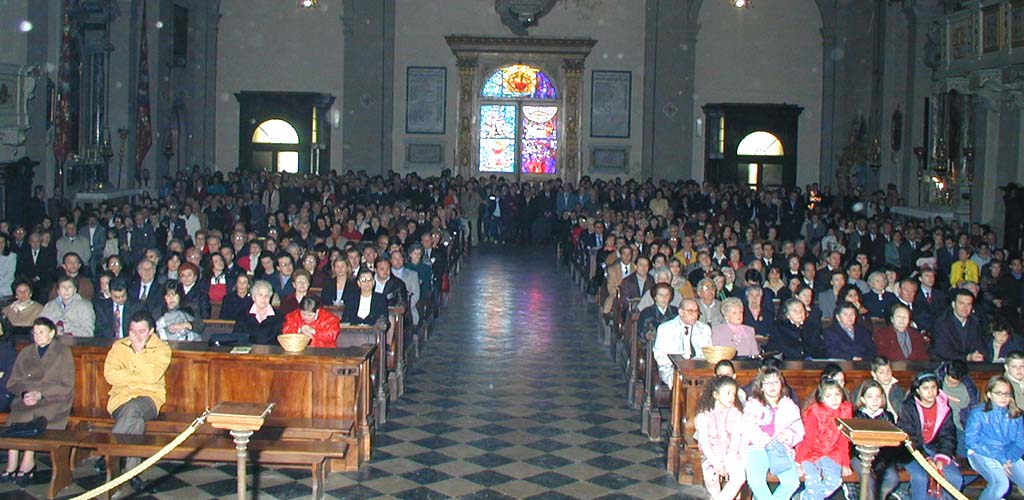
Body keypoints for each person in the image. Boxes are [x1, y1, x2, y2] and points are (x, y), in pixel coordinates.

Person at [102, 311, 171, 494]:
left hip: (150, 398)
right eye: (132, 331)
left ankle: (110, 451)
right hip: (120, 399)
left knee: (134, 408)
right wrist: (137, 376)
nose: (136, 336)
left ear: (151, 331)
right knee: (136, 421)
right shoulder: (119, 346)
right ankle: (132, 473)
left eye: (141, 331)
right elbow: (110, 375)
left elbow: (152, 376)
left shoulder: (162, 349)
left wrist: (139, 353)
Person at [1, 318, 74, 486]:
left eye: (41, 332)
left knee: (30, 416)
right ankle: (12, 463)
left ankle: (28, 462)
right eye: (34, 332)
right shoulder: (26, 352)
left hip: (53, 400)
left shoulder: (63, 352)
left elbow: (66, 385)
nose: (37, 336)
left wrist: (40, 394)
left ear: (52, 333)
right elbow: (13, 382)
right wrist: (25, 393)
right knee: (17, 415)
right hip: (27, 398)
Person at [897, 372, 964, 500]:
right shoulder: (908, 407)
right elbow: (908, 436)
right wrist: (926, 458)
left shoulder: (944, 408)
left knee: (955, 478)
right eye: (925, 388)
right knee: (920, 478)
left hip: (935, 449)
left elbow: (948, 435)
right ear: (918, 390)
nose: (930, 392)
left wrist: (942, 456)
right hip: (912, 451)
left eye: (933, 387)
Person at [741, 367, 804, 500]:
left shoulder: (789, 405)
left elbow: (798, 429)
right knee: (756, 482)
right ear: (761, 387)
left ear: (781, 385)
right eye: (767, 383)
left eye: (775, 382)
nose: (772, 386)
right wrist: (765, 440)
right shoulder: (753, 404)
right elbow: (747, 425)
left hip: (780, 448)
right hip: (757, 447)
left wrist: (787, 434)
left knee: (792, 482)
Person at [964, 375, 1024, 500]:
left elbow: (1020, 442)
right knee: (1001, 484)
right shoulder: (978, 413)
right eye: (999, 393)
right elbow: (971, 441)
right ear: (989, 394)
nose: (1003, 397)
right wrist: (1000, 458)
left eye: (1007, 394)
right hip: (982, 452)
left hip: (1008, 454)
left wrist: (1009, 458)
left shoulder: (1016, 414)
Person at [795, 378, 853, 500]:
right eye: (828, 396)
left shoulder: (845, 410)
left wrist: (845, 463)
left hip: (832, 452)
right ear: (821, 398)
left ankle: (803, 497)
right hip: (811, 451)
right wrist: (798, 461)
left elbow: (843, 440)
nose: (834, 399)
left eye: (837, 394)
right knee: (813, 481)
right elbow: (808, 439)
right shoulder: (815, 412)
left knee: (834, 481)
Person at [694, 375, 746, 500]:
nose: (731, 397)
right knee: (711, 477)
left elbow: (736, 440)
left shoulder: (736, 414)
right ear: (716, 395)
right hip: (712, 455)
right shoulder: (704, 416)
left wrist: (729, 459)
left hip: (731, 454)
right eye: (727, 393)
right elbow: (705, 444)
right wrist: (717, 463)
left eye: (733, 394)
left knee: (740, 476)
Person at [851, 380, 903, 500]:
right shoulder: (857, 415)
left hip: (882, 457)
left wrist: (880, 463)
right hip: (860, 456)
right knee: (868, 479)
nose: (874, 400)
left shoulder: (887, 416)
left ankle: (879, 497)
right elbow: (854, 443)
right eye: (870, 397)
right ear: (863, 399)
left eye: (878, 397)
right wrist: (868, 461)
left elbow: (890, 444)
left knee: (892, 478)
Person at [653, 298, 713, 388]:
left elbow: (708, 353)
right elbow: (660, 355)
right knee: (683, 381)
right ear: (681, 312)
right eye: (690, 311)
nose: (694, 315)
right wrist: (678, 366)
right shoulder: (665, 328)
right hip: (672, 368)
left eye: (696, 311)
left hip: (698, 368)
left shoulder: (704, 329)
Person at [931, 288, 985, 362]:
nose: (965, 308)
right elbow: (943, 351)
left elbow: (981, 346)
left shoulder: (975, 322)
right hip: (947, 364)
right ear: (953, 304)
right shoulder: (941, 323)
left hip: (972, 365)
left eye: (968, 304)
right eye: (961, 303)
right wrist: (967, 357)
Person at [233, 280, 283, 345]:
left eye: (267, 296)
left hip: (271, 350)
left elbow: (280, 340)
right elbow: (237, 338)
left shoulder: (279, 316)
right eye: (260, 295)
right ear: (254, 297)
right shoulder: (243, 315)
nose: (264, 298)